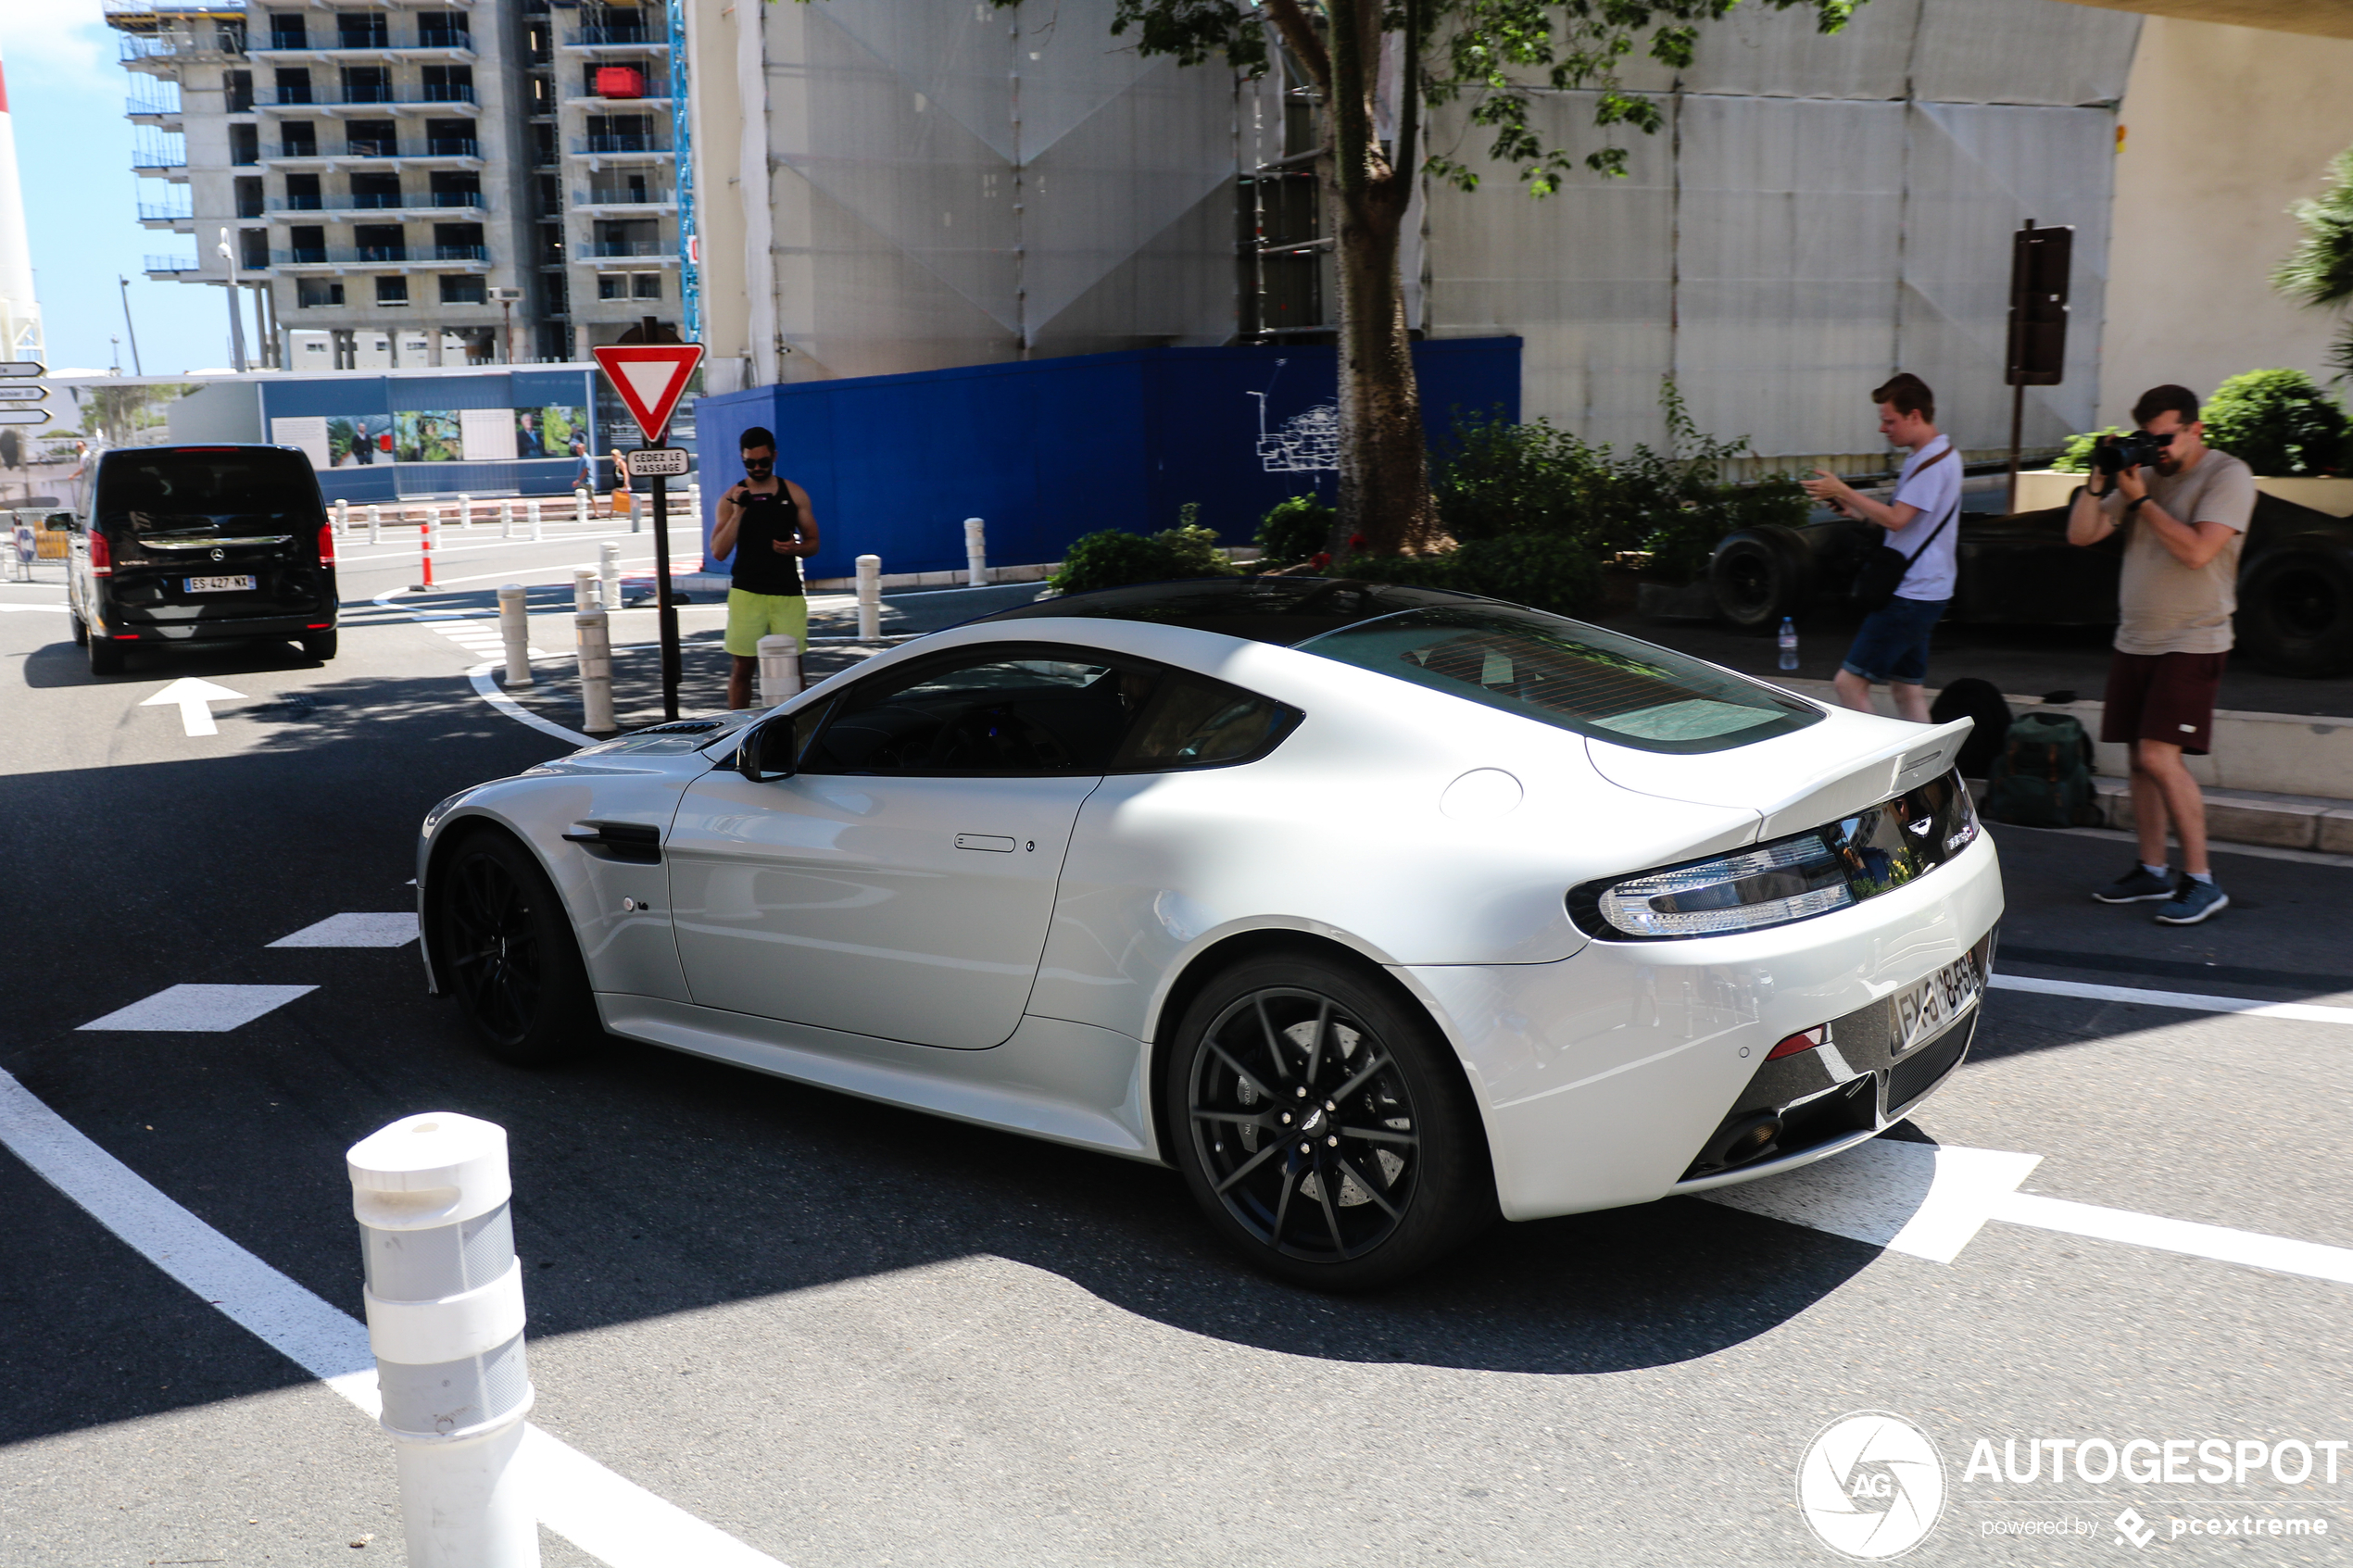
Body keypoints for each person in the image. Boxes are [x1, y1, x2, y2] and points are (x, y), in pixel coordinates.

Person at [2067, 384, 2255, 925]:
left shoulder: (2227, 476)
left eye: (2166, 438)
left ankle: (2201, 879)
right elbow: (2081, 535)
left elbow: (2199, 551)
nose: (2157, 449)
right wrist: (2101, 478)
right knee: (2137, 761)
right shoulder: (2141, 473)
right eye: (2147, 439)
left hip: (2194, 637)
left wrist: (2142, 502)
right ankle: (2151, 870)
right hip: (2137, 638)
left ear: (2196, 429)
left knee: (2158, 756)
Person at [1801, 372, 1962, 723]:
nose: (1883, 429)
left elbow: (1897, 519)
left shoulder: (1930, 463)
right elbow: (1910, 526)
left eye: (1889, 421)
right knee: (1907, 690)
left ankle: (1884, 765)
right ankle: (1931, 774)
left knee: (1849, 685)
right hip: (1927, 592)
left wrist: (1843, 491)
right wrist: (1857, 513)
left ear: (1914, 416)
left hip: (1909, 594)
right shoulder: (1940, 455)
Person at [711, 426, 821, 709]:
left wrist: (795, 548)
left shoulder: (794, 493)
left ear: (774, 456)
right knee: (743, 669)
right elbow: (718, 551)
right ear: (742, 459)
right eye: (750, 463)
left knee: (792, 670)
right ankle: (737, 735)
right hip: (747, 593)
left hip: (787, 593)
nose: (757, 468)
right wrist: (738, 513)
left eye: (763, 462)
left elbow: (814, 543)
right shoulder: (731, 498)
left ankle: (799, 731)